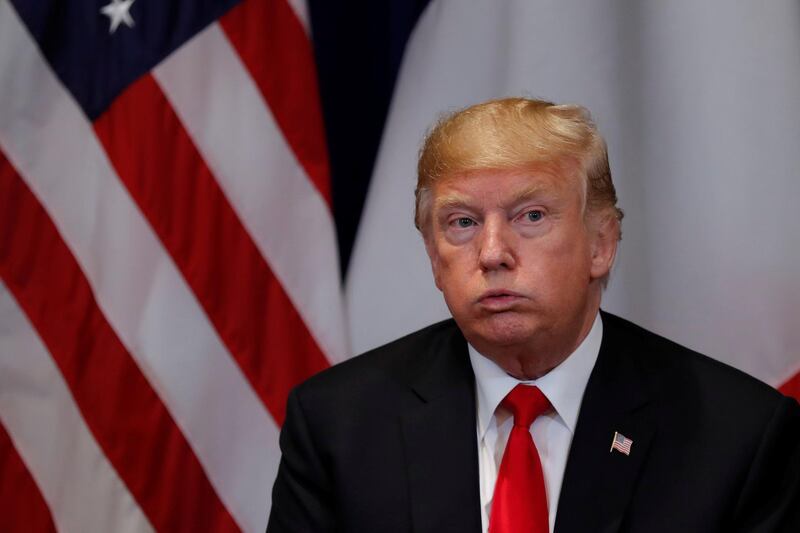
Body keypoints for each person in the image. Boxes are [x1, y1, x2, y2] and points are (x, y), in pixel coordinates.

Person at [266, 98, 800, 532]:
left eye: (532, 215)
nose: (493, 252)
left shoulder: (737, 436)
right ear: (433, 255)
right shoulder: (339, 424)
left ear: (602, 243)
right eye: (462, 222)